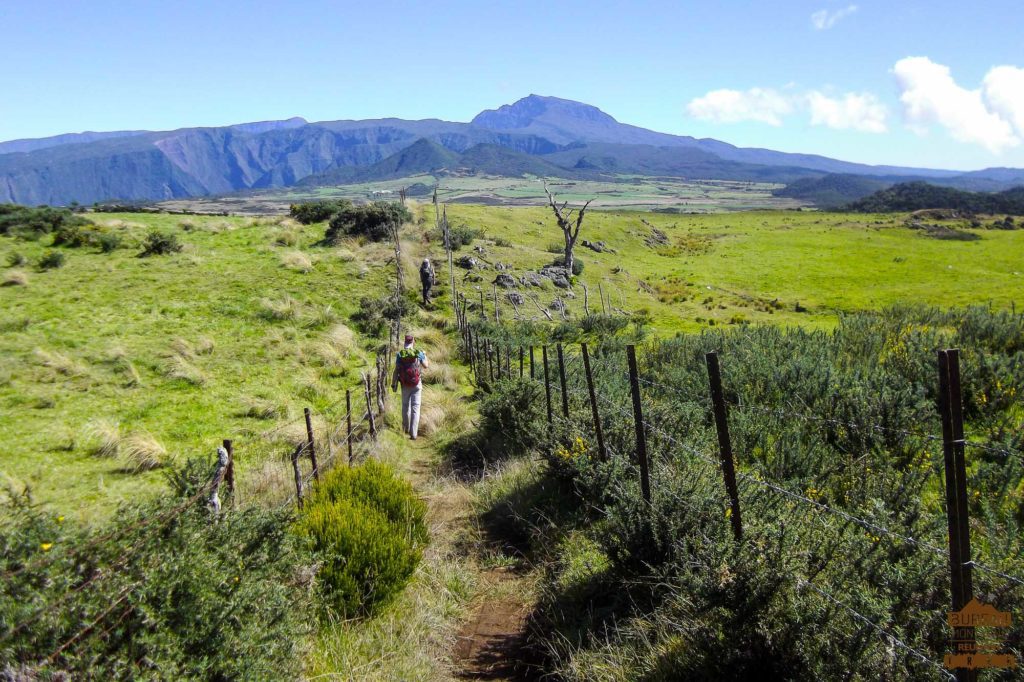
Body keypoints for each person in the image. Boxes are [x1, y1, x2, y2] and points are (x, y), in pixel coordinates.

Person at [392, 333, 429, 440]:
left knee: (405, 406)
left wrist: (393, 383)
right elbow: (426, 366)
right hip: (417, 384)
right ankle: (413, 434)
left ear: (405, 342)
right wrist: (425, 355)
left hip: (404, 384)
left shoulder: (400, 354)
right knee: (415, 408)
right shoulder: (418, 353)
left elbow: (396, 370)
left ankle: (405, 429)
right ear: (413, 342)